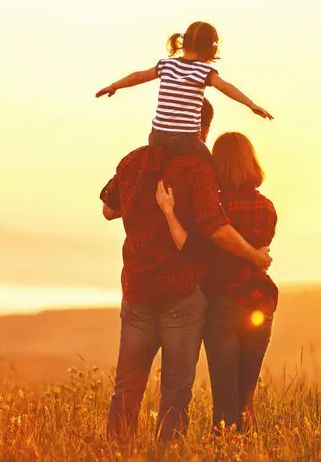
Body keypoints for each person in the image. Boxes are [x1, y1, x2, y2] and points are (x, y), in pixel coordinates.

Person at [100, 100, 272, 442]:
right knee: (176, 388)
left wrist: (145, 205)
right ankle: (167, 459)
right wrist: (254, 255)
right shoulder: (197, 169)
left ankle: (116, 455)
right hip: (181, 292)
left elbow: (108, 209)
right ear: (201, 128)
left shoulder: (132, 161)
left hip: (137, 289)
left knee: (127, 385)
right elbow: (215, 227)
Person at [156, 132, 277, 433]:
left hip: (222, 306)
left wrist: (170, 213)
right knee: (245, 397)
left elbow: (193, 248)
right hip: (259, 305)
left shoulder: (213, 210)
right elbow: (262, 248)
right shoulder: (267, 208)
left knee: (225, 398)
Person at [95, 21, 273, 161]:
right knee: (209, 168)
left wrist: (114, 86)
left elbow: (138, 76)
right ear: (211, 49)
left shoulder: (166, 65)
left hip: (157, 137)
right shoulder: (203, 71)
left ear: (184, 43)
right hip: (185, 140)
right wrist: (251, 104)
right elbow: (226, 87)